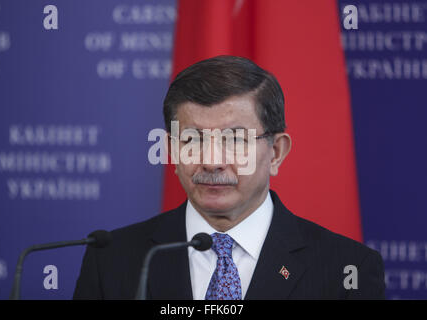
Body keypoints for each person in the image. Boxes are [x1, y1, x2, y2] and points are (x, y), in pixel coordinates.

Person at [73, 55, 385, 300]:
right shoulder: (112, 259)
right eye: (192, 140)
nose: (211, 162)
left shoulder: (346, 269)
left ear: (276, 152)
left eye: (235, 140)